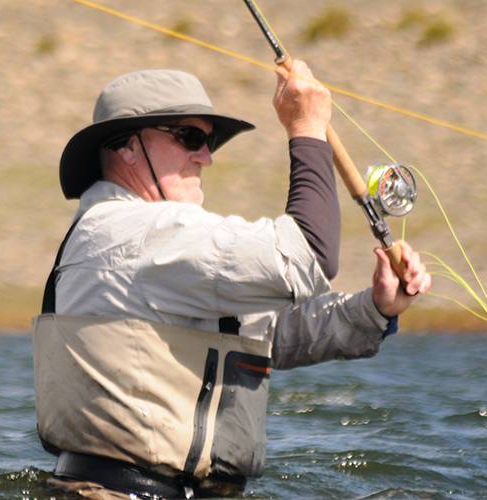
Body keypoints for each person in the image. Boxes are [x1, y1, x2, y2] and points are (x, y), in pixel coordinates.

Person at [33, 63, 431, 500]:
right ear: (127, 147)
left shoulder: (126, 236)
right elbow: (310, 252)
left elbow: (268, 335)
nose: (205, 156)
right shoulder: (139, 231)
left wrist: (375, 308)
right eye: (190, 138)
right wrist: (307, 129)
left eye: (210, 142)